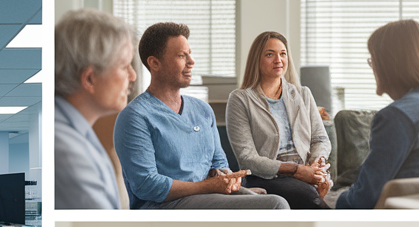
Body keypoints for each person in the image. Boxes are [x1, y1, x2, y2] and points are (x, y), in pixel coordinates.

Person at [113, 22, 289, 210]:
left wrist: (229, 180)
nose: (191, 61)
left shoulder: (203, 110)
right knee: (276, 205)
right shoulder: (135, 117)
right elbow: (147, 185)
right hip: (165, 206)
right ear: (154, 63)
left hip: (208, 196)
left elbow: (220, 163)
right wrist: (206, 187)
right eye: (182, 55)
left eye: (190, 53)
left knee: (269, 197)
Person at [334, 20, 419, 210]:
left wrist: (332, 200)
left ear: (388, 63)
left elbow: (364, 198)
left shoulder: (395, 117)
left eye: (373, 60)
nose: (372, 68)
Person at [225, 31, 332, 209]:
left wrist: (316, 163)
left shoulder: (303, 93)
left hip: (306, 171)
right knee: (308, 196)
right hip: (268, 177)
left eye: (283, 53)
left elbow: (320, 139)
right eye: (270, 54)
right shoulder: (240, 99)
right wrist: (296, 170)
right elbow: (247, 158)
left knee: (308, 193)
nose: (278, 60)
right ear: (256, 60)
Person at [55, 8, 136, 210]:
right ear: (90, 78)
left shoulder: (79, 132)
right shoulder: (66, 152)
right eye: (124, 66)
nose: (132, 76)